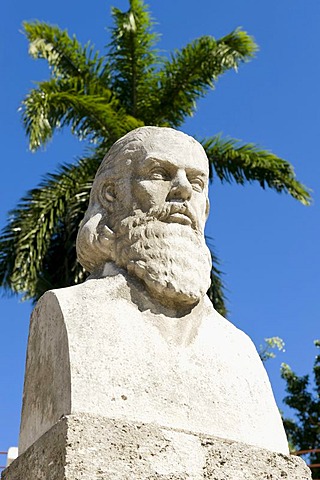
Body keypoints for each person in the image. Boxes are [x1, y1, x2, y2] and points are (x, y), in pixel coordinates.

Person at [19, 127, 289, 455]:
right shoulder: (69, 314)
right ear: (111, 195)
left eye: (197, 182)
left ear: (205, 208)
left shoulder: (240, 351)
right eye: (159, 174)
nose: (182, 191)